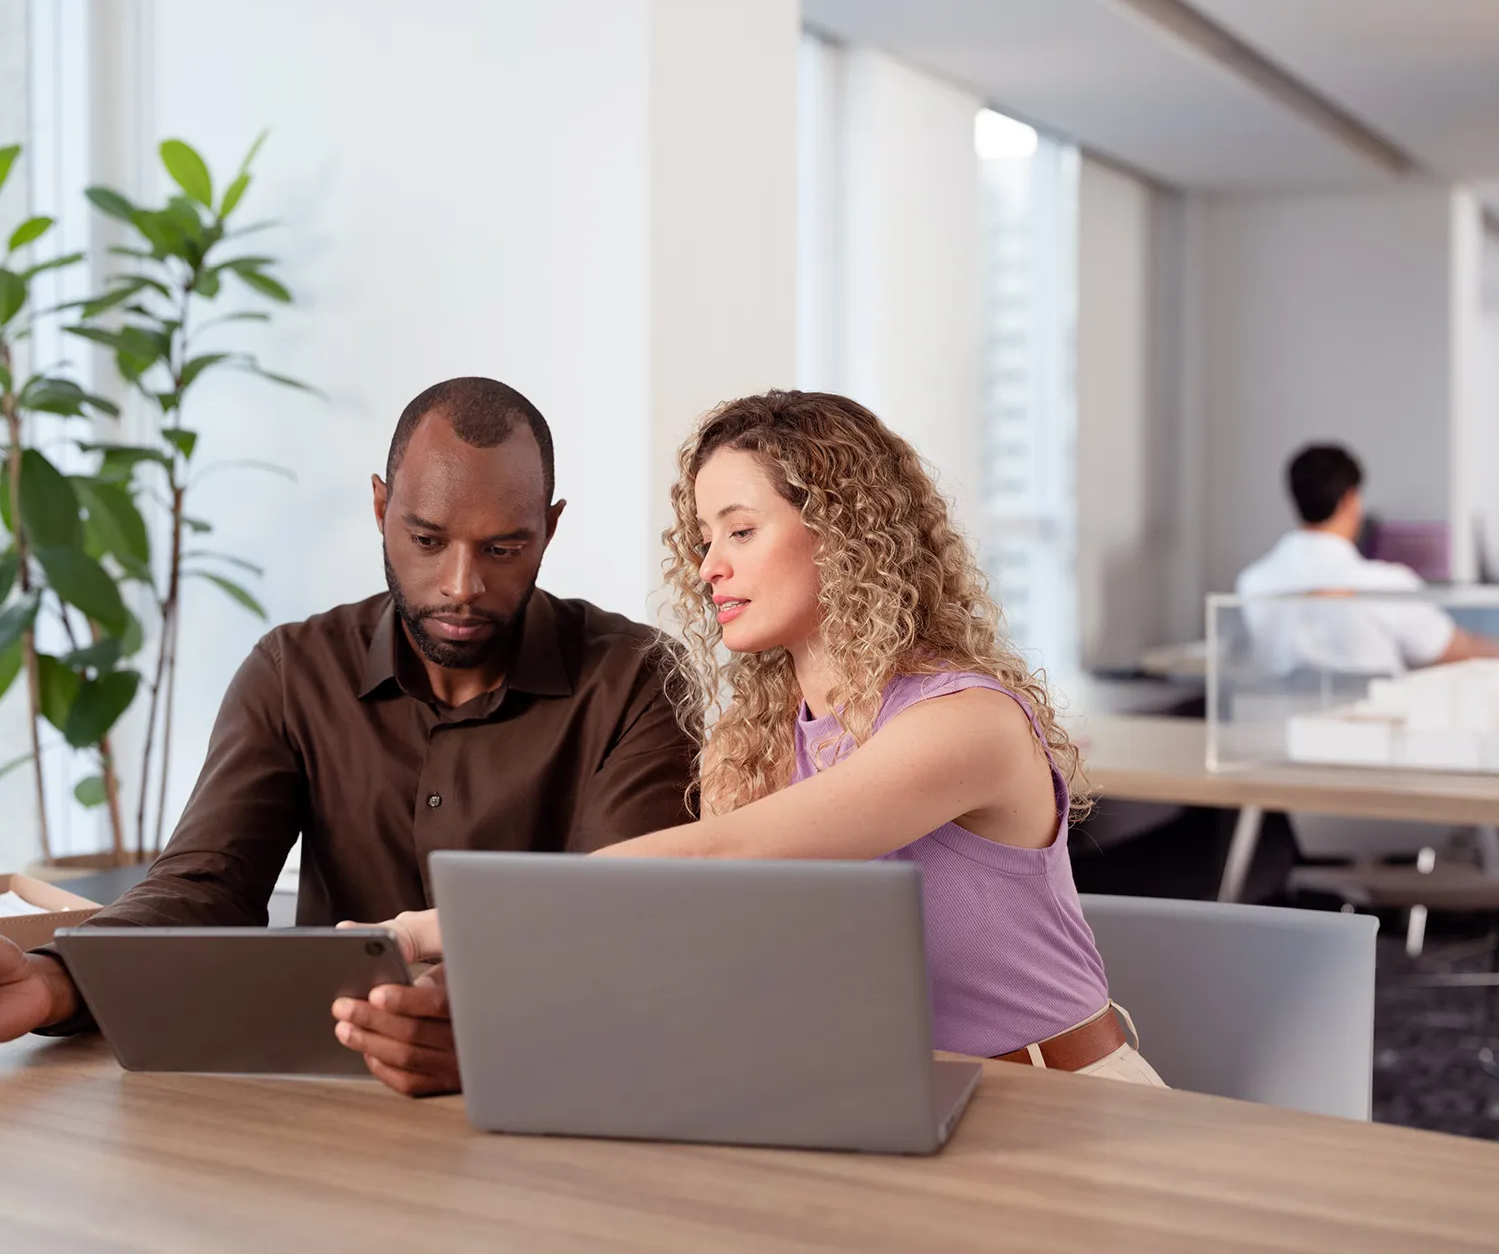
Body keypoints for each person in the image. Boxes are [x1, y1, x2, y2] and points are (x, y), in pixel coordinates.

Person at [0, 377, 698, 1095]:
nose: (461, 584)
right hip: (319, 1103)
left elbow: (619, 927)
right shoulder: (291, 671)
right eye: (425, 540)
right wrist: (49, 981)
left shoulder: (637, 680)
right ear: (380, 507)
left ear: (549, 530)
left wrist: (503, 1035)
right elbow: (205, 886)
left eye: (504, 548)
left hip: (546, 1112)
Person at [368, 391, 1164, 1084]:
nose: (710, 565)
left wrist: (426, 929)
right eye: (703, 538)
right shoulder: (747, 745)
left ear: (842, 533)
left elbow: (718, 861)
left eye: (741, 532)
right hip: (879, 1101)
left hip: (1062, 1098)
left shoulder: (966, 724)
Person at [1236, 443, 1499, 676]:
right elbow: (1450, 650)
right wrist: (1498, 651)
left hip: (1281, 728)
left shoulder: (1253, 582)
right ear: (1351, 499)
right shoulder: (1386, 584)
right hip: (1371, 730)